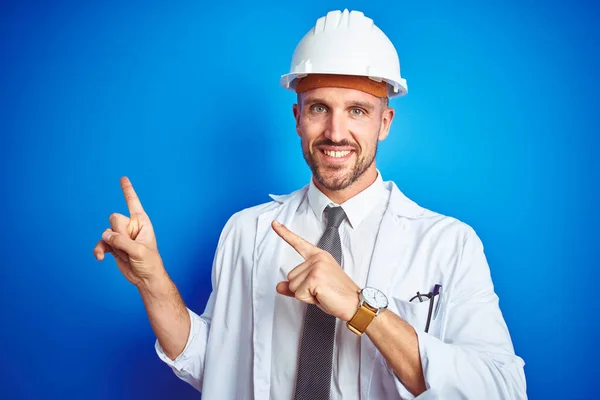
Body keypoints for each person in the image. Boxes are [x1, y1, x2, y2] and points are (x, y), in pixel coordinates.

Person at [93, 9, 527, 400]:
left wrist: (361, 308)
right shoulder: (247, 231)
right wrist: (152, 282)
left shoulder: (448, 244)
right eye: (320, 108)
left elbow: (502, 390)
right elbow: (217, 366)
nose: (336, 132)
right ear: (298, 118)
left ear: (385, 123)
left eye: (357, 111)